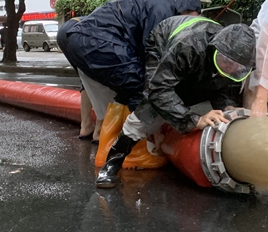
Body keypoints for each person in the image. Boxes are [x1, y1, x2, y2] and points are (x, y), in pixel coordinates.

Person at [96, 16, 256, 188]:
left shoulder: (238, 63)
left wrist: (227, 107)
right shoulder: (188, 46)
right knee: (150, 109)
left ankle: (166, 127)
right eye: (227, 62)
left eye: (237, 67)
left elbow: (224, 89)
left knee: (195, 91)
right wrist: (195, 119)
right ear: (215, 49)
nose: (231, 69)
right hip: (163, 40)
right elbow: (158, 89)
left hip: (197, 56)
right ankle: (111, 164)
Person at [57, 0, 203, 142]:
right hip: (94, 39)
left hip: (81, 39)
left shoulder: (160, 5)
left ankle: (103, 135)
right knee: (138, 86)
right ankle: (140, 143)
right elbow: (151, 59)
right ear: (186, 10)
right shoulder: (163, 13)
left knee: (124, 86)